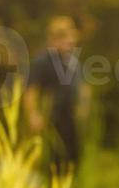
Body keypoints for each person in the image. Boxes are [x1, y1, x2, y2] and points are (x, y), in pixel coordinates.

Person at [23, 17, 87, 179]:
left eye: (72, 37)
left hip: (70, 118)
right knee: (52, 159)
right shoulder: (43, 61)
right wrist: (33, 115)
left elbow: (82, 86)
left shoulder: (72, 61)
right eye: (66, 37)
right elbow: (31, 90)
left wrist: (83, 105)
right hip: (50, 118)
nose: (71, 41)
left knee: (72, 156)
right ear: (54, 39)